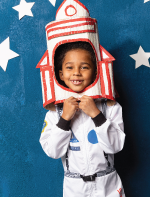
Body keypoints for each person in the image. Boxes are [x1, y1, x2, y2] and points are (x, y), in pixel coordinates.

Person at [40, 41, 126, 197]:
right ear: (60, 74)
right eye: (69, 67)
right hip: (75, 188)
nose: (76, 73)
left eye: (84, 67)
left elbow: (116, 146)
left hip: (107, 186)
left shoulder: (110, 107)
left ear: (95, 72)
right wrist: (65, 118)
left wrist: (96, 114)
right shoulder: (55, 112)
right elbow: (53, 151)